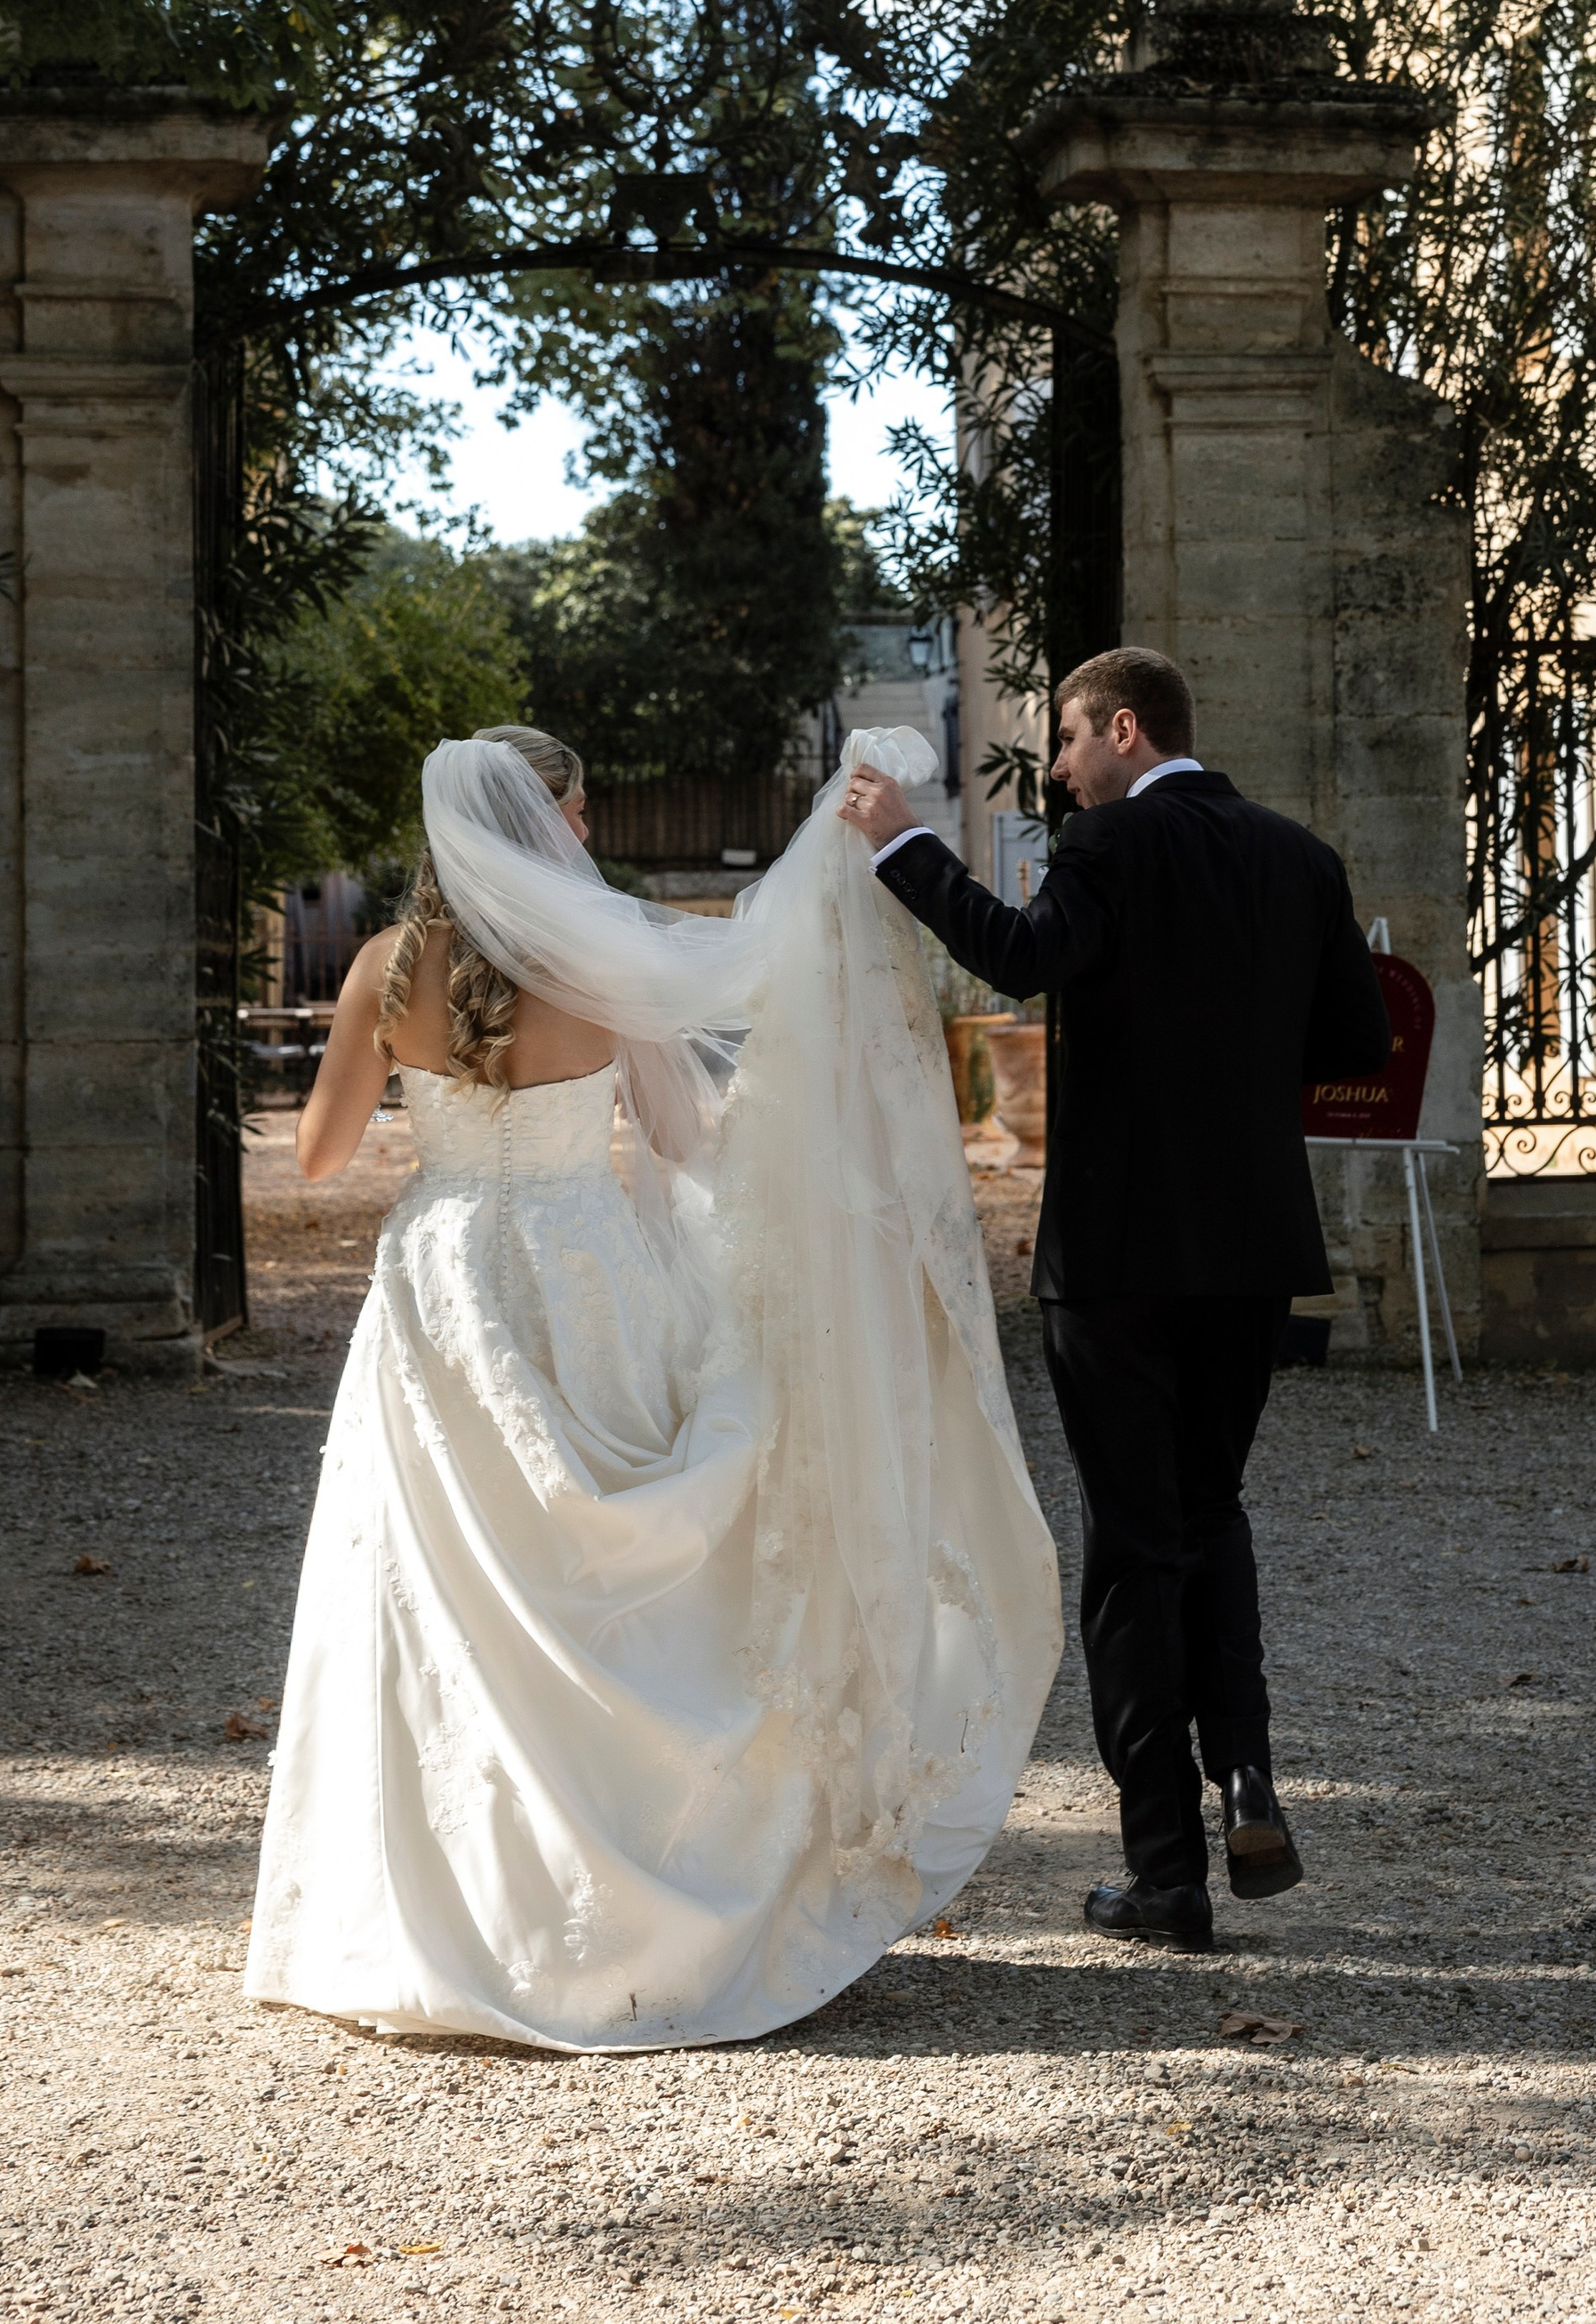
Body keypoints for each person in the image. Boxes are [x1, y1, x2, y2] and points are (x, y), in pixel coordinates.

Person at [245, 720, 1060, 2052]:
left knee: (447, 1588)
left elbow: (322, 1159)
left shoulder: (391, 969)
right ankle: (656, 1899)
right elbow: (686, 1139)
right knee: (629, 1567)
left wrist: (410, 1093)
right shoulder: (600, 963)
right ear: (542, 821)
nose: (583, 833)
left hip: (445, 1279)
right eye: (572, 814)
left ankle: (447, 1917)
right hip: (586, 1271)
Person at [840, 646, 1389, 1951]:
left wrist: (905, 850)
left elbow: (1021, 960)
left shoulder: (1109, 850)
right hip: (1254, 1250)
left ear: (1126, 730)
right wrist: (1238, 1072)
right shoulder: (1299, 859)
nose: (1066, 774)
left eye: (1072, 747)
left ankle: (1166, 1876)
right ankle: (1247, 1773)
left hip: (1123, 1255)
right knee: (1210, 1511)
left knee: (1135, 1546)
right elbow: (1356, 1046)